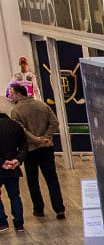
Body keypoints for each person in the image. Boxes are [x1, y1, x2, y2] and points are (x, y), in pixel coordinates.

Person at [7, 83, 65, 219]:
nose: (11, 96)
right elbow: (54, 122)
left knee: (33, 181)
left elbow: (22, 130)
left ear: (18, 94)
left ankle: (38, 209)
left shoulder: (16, 111)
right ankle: (59, 208)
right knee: (52, 178)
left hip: (30, 150)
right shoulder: (42, 105)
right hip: (47, 147)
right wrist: (46, 137)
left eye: (12, 93)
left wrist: (37, 140)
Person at [0, 108, 27, 233]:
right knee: (14, 196)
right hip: (13, 167)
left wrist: (2, 162)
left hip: (1, 167)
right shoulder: (16, 126)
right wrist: (17, 160)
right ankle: (19, 224)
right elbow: (24, 147)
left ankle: (2, 223)